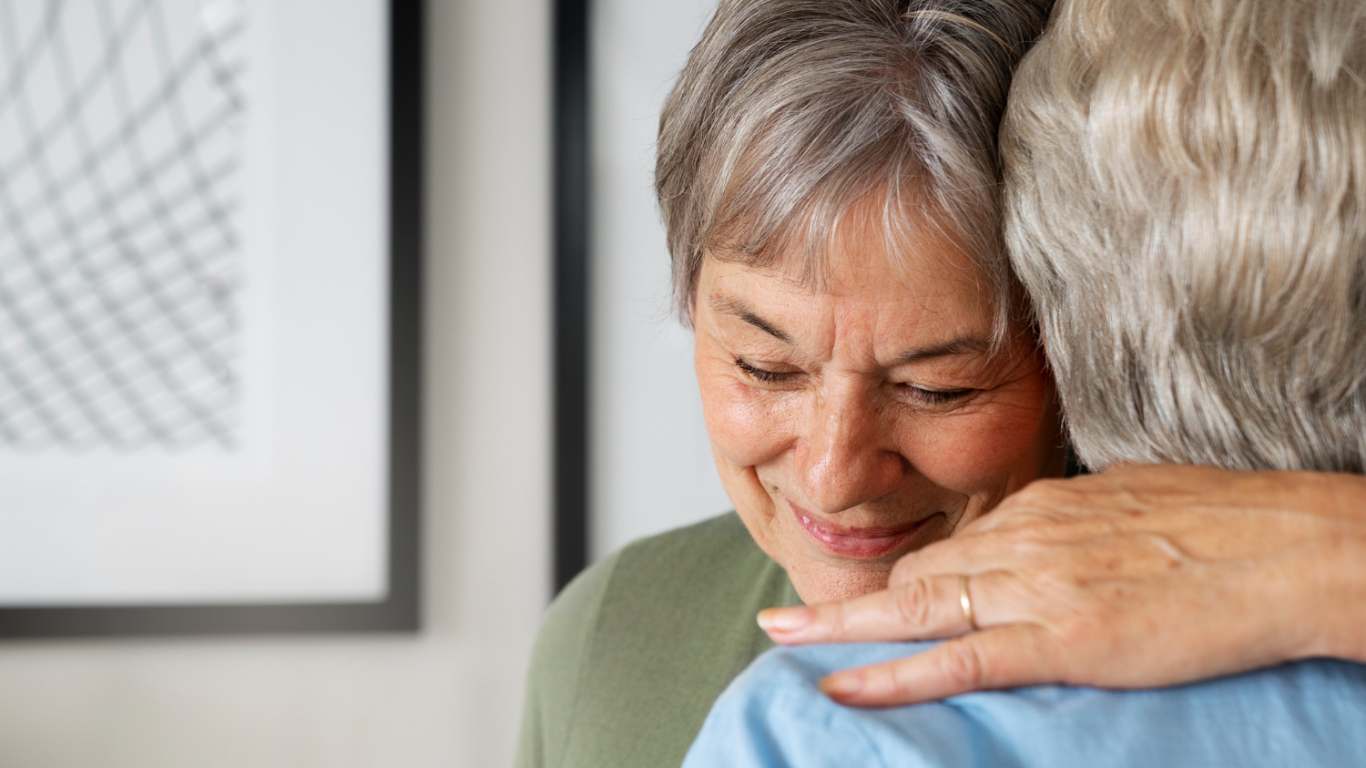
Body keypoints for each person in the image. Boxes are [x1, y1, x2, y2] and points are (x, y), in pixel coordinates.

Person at [517, 1, 1366, 766]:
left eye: (940, 388)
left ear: (1081, 349)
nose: (834, 475)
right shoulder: (609, 635)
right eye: (765, 367)